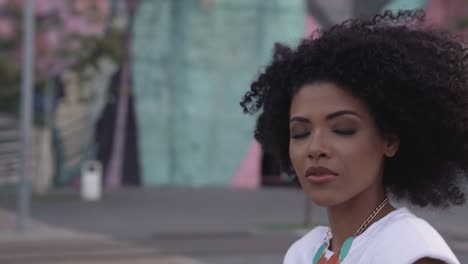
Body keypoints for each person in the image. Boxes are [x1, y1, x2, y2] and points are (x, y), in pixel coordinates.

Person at [240, 10, 467, 264]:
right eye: (300, 133)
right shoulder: (302, 253)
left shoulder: (409, 251)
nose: (315, 148)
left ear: (389, 140)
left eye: (343, 129)